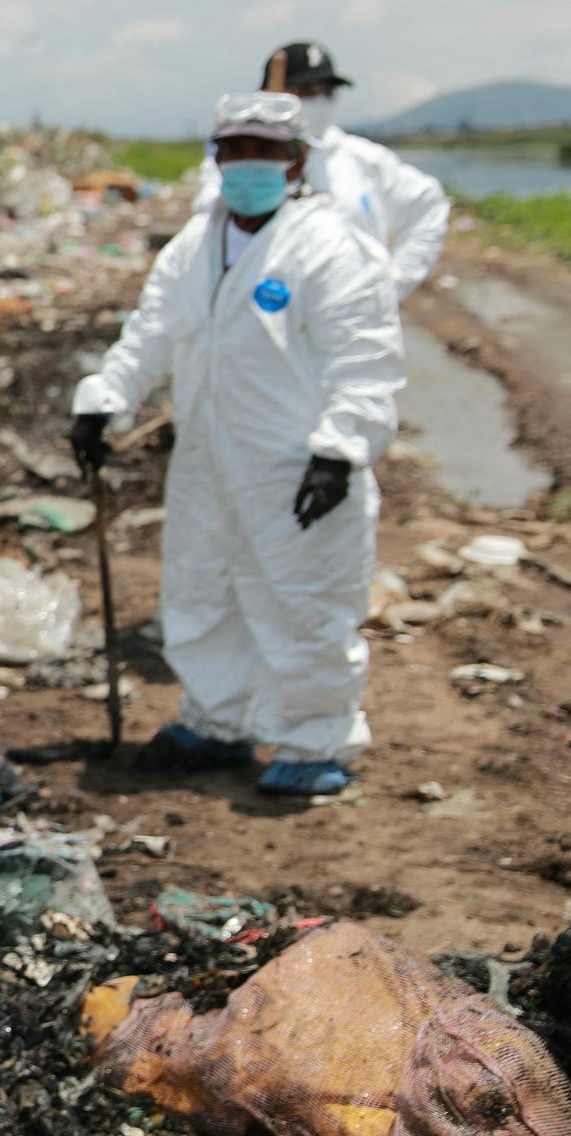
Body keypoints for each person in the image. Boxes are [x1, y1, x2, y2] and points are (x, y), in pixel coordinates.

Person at [71, 92, 403, 797]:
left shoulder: (330, 247)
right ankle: (215, 722)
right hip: (206, 461)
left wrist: (341, 449)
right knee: (201, 592)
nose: (249, 164)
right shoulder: (194, 246)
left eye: (266, 152)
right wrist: (104, 401)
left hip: (295, 464)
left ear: (296, 161)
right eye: (236, 150)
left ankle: (315, 740)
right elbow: (151, 333)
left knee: (303, 602)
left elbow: (365, 359)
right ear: (216, 157)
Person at [193, 42, 449, 298]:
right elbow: (208, 224)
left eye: (327, 93)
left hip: (348, 309)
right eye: (305, 92)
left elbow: (428, 203)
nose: (319, 101)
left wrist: (394, 282)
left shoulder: (364, 160)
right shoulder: (237, 164)